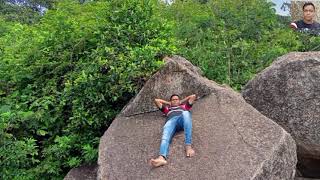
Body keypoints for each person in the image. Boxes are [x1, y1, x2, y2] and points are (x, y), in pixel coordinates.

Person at [149, 94, 197, 167]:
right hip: (171, 122)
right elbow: (156, 101)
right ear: (170, 101)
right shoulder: (167, 109)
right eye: (173, 100)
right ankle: (161, 158)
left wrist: (181, 101)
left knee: (186, 113)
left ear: (179, 100)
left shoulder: (184, 106)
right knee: (165, 133)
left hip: (182, 120)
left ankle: (188, 146)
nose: (175, 101)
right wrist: (169, 103)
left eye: (176, 99)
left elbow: (193, 96)